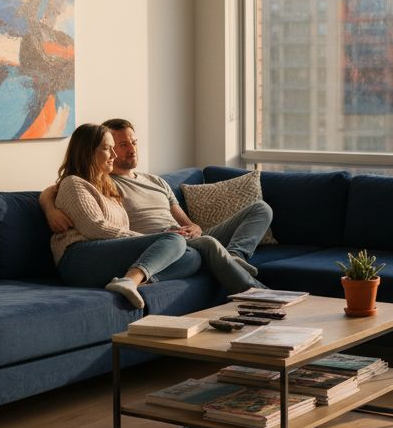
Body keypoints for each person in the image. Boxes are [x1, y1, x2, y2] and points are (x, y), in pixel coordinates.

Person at [42, 118, 272, 289]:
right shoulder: (103, 182)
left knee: (260, 209)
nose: (128, 149)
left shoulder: (152, 181)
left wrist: (193, 229)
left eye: (132, 142)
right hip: (154, 240)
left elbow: (187, 223)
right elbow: (63, 187)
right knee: (204, 247)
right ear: (89, 152)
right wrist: (48, 206)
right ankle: (259, 295)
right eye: (118, 145)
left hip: (178, 238)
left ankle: (234, 258)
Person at [49, 123, 196, 309]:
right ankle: (130, 281)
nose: (114, 155)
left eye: (113, 148)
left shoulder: (106, 185)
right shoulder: (74, 183)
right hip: (79, 258)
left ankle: (130, 281)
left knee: (192, 257)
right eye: (107, 149)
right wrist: (151, 240)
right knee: (173, 240)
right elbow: (95, 228)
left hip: (105, 252)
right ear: (88, 152)